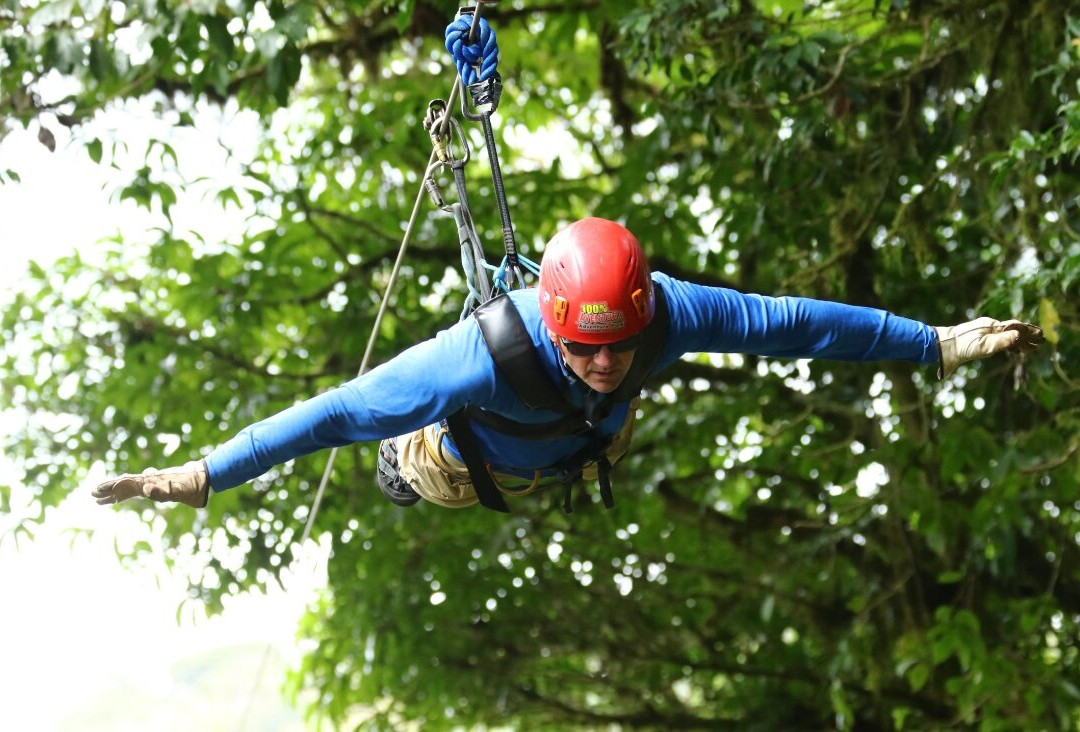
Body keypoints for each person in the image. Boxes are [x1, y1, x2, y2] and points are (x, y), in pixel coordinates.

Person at [92, 217, 1045, 511]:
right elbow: (337, 413)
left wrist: (936, 343)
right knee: (403, 468)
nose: (605, 360)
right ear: (554, 324)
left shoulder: (669, 313)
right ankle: (425, 462)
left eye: (621, 344)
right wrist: (201, 473)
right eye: (586, 347)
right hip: (472, 452)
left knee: (607, 411)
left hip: (581, 451)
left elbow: (794, 323)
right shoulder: (480, 353)